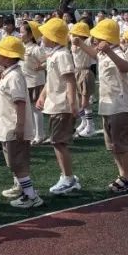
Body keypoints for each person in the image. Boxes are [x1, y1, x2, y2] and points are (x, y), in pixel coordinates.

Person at [77, 19, 128, 193]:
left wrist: (109, 50)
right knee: (113, 145)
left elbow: (125, 67)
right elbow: (94, 54)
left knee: (121, 145)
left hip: (120, 105)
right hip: (107, 105)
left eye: (98, 37)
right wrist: (80, 43)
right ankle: (123, 175)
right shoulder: (103, 54)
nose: (95, 41)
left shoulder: (118, 52)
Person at [0, 37, 41, 208]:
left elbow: (20, 102)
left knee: (18, 162)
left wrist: (19, 126)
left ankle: (31, 195)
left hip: (13, 126)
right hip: (9, 125)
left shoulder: (14, 76)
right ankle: (25, 190)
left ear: (7, 56)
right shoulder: (10, 74)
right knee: (14, 162)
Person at [35, 18, 81, 195]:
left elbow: (69, 80)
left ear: (53, 38)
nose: (42, 37)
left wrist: (71, 104)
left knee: (59, 142)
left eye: (45, 34)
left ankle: (68, 178)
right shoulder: (55, 54)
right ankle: (66, 176)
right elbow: (51, 80)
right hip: (55, 104)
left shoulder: (62, 54)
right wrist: (42, 96)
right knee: (57, 142)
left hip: (61, 104)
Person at [21, 21, 47, 145]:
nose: (20, 34)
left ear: (31, 35)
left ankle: (39, 135)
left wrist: (41, 67)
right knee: (30, 109)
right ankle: (33, 133)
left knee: (36, 108)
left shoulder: (36, 49)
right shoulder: (23, 47)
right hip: (26, 82)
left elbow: (46, 61)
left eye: (22, 32)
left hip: (35, 81)